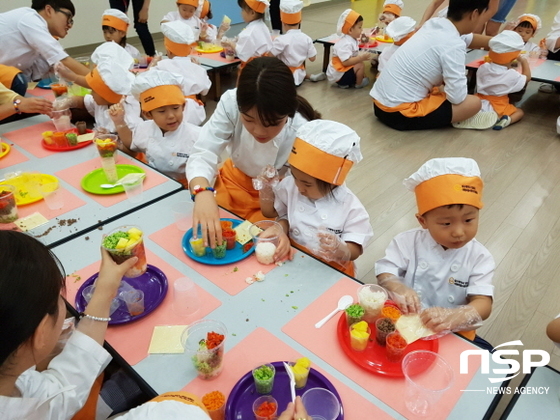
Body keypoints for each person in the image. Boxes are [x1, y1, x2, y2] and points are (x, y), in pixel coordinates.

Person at [0, 230, 314, 420]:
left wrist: (107, 287)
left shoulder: (14, 384)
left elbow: (58, 392)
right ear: (42, 333)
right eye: (60, 301)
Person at [186, 57, 321, 247]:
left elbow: (307, 195)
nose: (259, 131)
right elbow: (205, 150)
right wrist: (202, 191)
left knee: (272, 245)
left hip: (278, 198)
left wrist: (282, 224)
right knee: (209, 230)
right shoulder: (231, 103)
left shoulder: (303, 132)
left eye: (272, 124)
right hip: (235, 183)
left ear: (288, 114)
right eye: (248, 120)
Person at [375, 158, 494, 348]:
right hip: (405, 321)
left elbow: (483, 303)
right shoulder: (407, 241)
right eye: (446, 223)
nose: (458, 231)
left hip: (452, 330)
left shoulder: (479, 257)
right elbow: (386, 270)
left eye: (469, 220)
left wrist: (455, 316)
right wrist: (398, 288)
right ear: (423, 221)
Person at [259, 120, 373, 277]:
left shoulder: (350, 206)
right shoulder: (291, 185)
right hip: (295, 256)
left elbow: (355, 249)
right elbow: (271, 212)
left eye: (306, 183)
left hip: (333, 269)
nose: (299, 187)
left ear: (333, 183)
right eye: (295, 177)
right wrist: (266, 189)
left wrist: (340, 249)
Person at [370, 0, 497, 131]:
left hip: (379, 105)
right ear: (475, 14)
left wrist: (501, 42)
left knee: (440, 86)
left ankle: (451, 115)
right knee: (474, 103)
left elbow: (468, 39)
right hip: (399, 115)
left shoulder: (434, 24)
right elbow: (457, 97)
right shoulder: (453, 44)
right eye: (483, 15)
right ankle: (459, 118)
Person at [110, 70, 200, 187]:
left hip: (186, 187)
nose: (171, 115)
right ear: (148, 115)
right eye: (162, 111)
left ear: (183, 107)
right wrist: (119, 122)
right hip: (153, 181)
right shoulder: (145, 128)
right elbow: (130, 143)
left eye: (175, 108)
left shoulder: (197, 135)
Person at [55, 42, 139, 133]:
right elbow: (83, 101)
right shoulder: (102, 103)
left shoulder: (128, 115)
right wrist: (68, 102)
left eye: (93, 90)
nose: (90, 93)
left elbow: (132, 141)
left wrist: (109, 135)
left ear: (105, 95)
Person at [0, 0, 89, 81]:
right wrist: (97, 79)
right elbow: (61, 58)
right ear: (49, 10)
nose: (70, 25)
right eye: (68, 17)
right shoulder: (29, 18)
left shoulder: (34, 40)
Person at [156, 21, 212, 126]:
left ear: (168, 51)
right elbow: (205, 90)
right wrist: (197, 68)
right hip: (195, 113)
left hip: (172, 111)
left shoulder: (162, 65)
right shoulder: (197, 68)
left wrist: (152, 65)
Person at [476, 31, 529, 130]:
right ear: (513, 57)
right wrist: (524, 61)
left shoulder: (483, 67)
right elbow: (527, 77)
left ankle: (477, 115)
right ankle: (506, 120)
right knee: (519, 112)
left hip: (479, 102)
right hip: (498, 105)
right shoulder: (511, 74)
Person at [270, 0, 318, 86]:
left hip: (285, 76)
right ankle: (309, 76)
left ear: (283, 23)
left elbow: (270, 55)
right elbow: (312, 58)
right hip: (299, 74)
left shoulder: (281, 40)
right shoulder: (307, 38)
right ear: (300, 21)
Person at [326, 9, 372, 89]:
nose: (361, 30)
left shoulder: (351, 39)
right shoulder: (345, 44)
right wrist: (361, 58)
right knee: (360, 65)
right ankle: (358, 83)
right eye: (359, 27)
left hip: (342, 73)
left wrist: (363, 42)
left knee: (358, 63)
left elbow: (355, 46)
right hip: (339, 75)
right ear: (350, 30)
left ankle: (349, 82)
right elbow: (346, 63)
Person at [222, 0, 272, 66]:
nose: (241, 13)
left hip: (254, 69)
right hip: (266, 65)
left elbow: (243, 54)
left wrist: (231, 43)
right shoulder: (262, 26)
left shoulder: (248, 33)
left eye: (243, 10)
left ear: (252, 13)